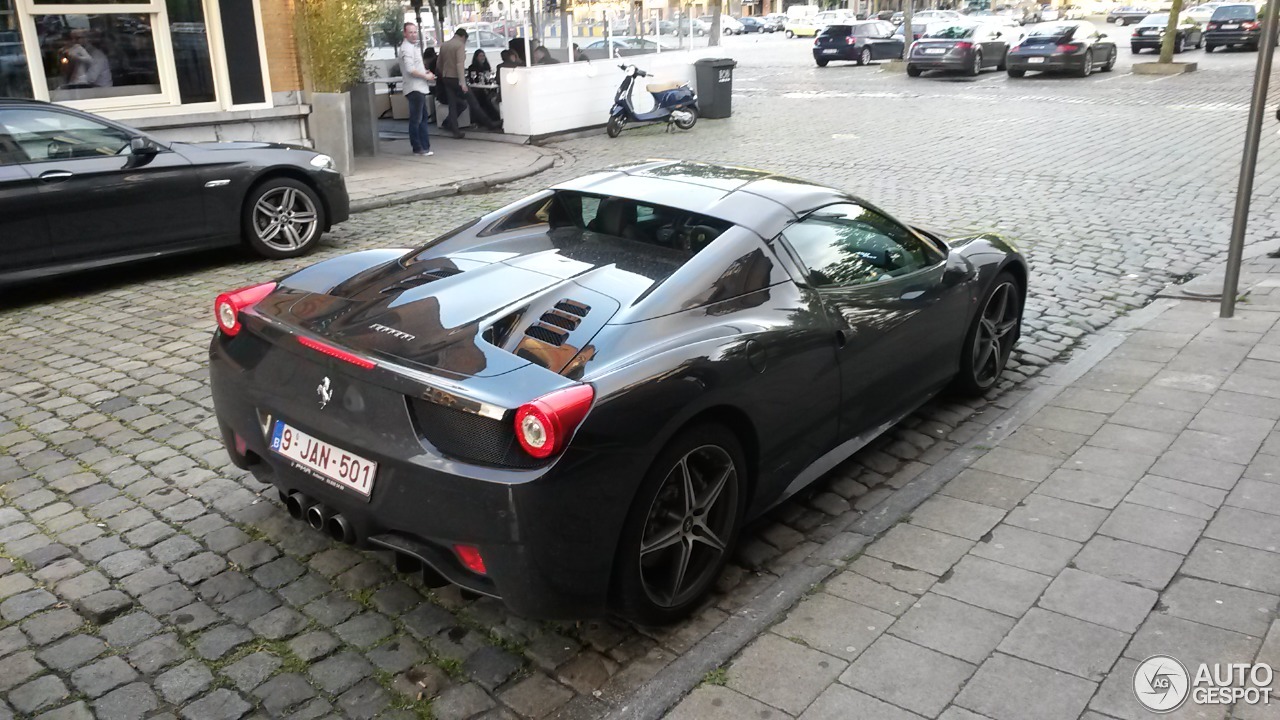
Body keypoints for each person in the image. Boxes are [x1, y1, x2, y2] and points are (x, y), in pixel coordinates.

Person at [439, 28, 500, 137]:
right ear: (463, 37)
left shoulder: (444, 45)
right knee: (473, 102)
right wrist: (463, 83)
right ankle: (490, 124)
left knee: (452, 105)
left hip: (446, 77)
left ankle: (455, 130)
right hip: (456, 78)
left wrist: (442, 74)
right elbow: (460, 64)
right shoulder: (459, 45)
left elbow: (439, 63)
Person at [399, 23, 435, 156]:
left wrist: (424, 72)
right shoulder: (406, 49)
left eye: (415, 32)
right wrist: (426, 76)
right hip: (415, 88)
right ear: (405, 33)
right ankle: (419, 147)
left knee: (421, 117)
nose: (414, 35)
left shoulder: (411, 47)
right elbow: (410, 69)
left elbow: (414, 67)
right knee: (417, 119)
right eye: (411, 32)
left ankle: (423, 146)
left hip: (418, 87)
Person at [466, 49, 502, 123]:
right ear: (476, 57)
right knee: (483, 97)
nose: (482, 58)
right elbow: (471, 80)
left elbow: (488, 77)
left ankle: (493, 118)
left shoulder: (486, 66)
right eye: (480, 56)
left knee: (489, 96)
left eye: (483, 56)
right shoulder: (472, 67)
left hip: (485, 88)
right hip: (476, 89)